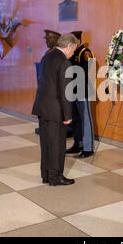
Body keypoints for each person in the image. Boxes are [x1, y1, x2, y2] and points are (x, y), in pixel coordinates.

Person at [32, 33, 78, 186]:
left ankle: (45, 175)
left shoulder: (47, 56)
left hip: (42, 107)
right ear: (69, 46)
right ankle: (56, 177)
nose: (73, 54)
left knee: (46, 144)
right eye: (73, 50)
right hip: (55, 110)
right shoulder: (64, 63)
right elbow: (65, 92)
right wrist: (68, 115)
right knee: (57, 145)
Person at [66, 31, 95, 159]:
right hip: (72, 90)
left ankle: (88, 148)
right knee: (76, 120)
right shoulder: (73, 52)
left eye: (73, 42)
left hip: (83, 90)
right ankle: (78, 143)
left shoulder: (85, 52)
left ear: (78, 41)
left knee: (86, 120)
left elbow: (88, 68)